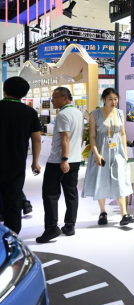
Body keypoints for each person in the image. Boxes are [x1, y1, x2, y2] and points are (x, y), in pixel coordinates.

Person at [36, 87, 84, 243]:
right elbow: (81, 136)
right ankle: (70, 226)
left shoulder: (63, 114)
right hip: (74, 159)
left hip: (59, 161)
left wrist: (64, 159)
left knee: (50, 194)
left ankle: (51, 228)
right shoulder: (78, 113)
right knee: (71, 193)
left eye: (55, 97)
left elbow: (65, 138)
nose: (52, 100)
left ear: (65, 98)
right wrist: (73, 155)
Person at [82, 88, 134, 226]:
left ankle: (124, 214)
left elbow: (122, 134)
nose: (113, 102)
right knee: (101, 179)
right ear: (104, 100)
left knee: (120, 180)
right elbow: (92, 136)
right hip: (101, 150)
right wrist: (96, 154)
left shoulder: (120, 113)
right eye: (110, 99)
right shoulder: (95, 114)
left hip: (117, 151)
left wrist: (125, 153)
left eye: (115, 99)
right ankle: (102, 212)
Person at [0, 77, 42, 234]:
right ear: (24, 94)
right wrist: (35, 162)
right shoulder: (30, 112)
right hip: (16, 164)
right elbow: (36, 139)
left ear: (4, 90)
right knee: (14, 201)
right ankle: (12, 239)